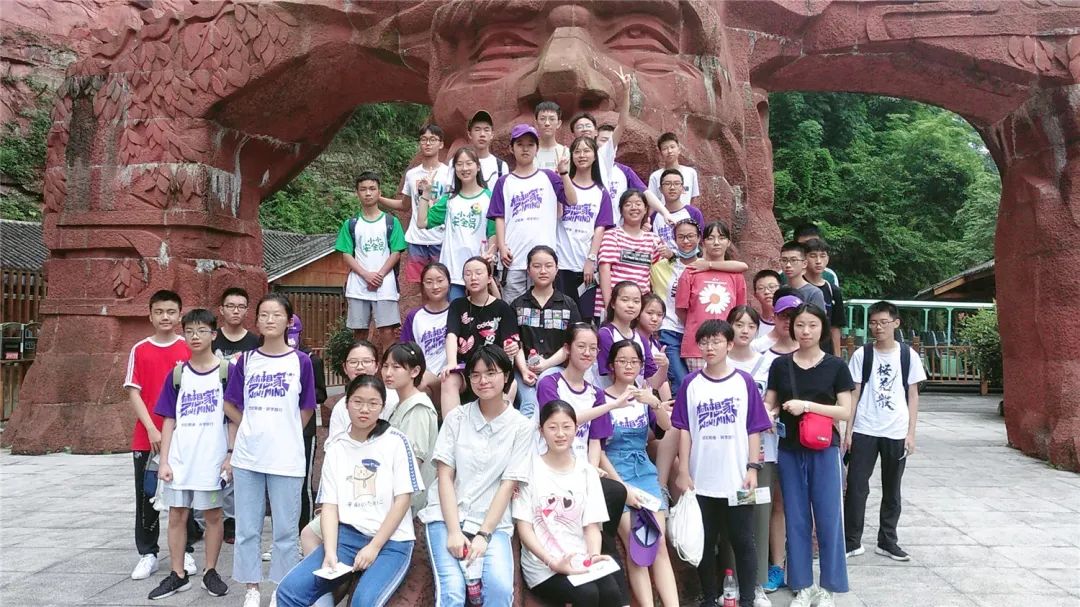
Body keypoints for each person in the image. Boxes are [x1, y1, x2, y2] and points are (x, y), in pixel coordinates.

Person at [275, 375, 422, 607]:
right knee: (288, 591)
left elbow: (403, 499)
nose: (364, 409)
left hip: (392, 542)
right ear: (346, 404)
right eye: (358, 402)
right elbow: (330, 507)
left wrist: (374, 547)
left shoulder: (396, 442)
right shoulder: (337, 447)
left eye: (373, 403)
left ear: (382, 406)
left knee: (363, 602)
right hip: (348, 538)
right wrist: (330, 552)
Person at [418, 346, 534, 607]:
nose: (483, 380)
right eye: (476, 374)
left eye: (491, 373)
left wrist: (484, 535)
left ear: (506, 376)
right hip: (446, 516)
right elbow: (444, 477)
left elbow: (508, 484)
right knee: (452, 591)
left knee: (500, 588)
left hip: (491, 521)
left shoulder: (521, 427)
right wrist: (453, 531)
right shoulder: (456, 419)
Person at [223, 294, 318, 607]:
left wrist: (286, 429)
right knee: (247, 528)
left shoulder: (301, 361)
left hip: (287, 458)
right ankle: (252, 587)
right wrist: (251, 424)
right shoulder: (246, 361)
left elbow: (307, 407)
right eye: (264, 314)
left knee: (286, 531)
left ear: (289, 321)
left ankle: (281, 587)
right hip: (249, 456)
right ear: (257, 320)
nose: (270, 320)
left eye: (277, 314)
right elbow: (230, 404)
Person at [672, 320, 772, 607]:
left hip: (738, 477)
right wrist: (683, 470)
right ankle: (708, 597)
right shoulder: (691, 384)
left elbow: (754, 428)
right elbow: (684, 429)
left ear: (729, 344)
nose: (710, 347)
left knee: (743, 540)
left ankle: (748, 598)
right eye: (704, 342)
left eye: (716, 341)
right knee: (704, 541)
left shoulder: (744, 382)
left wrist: (753, 468)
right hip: (701, 479)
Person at [764, 304, 854, 607]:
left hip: (825, 449)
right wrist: (767, 413)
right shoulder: (780, 365)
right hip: (789, 450)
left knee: (829, 518)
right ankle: (802, 585)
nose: (805, 331)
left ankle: (828, 587)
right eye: (800, 325)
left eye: (812, 325)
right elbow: (770, 403)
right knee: (796, 518)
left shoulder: (836, 366)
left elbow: (844, 411)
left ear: (823, 328)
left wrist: (807, 406)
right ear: (792, 328)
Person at [147, 308, 231, 600]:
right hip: (181, 458)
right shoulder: (178, 374)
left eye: (202, 331)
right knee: (177, 515)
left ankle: (210, 572)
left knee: (213, 515)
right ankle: (177, 574)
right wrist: (164, 461)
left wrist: (230, 455)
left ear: (214, 334)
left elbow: (234, 417)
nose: (195, 336)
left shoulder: (226, 372)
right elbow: (169, 419)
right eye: (190, 331)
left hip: (212, 458)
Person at [514, 400, 627, 607]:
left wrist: (593, 556)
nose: (560, 434)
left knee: (611, 592)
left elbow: (591, 526)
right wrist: (552, 562)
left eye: (566, 427)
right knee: (587, 594)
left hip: (580, 559)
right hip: (543, 566)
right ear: (541, 431)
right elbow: (525, 528)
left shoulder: (587, 472)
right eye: (552, 427)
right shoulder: (528, 470)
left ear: (576, 429)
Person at [124, 289, 198, 582]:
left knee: (184, 494)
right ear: (150, 315)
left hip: (184, 437)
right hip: (148, 437)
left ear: (179, 315)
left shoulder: (188, 348)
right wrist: (152, 428)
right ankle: (148, 553)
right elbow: (134, 391)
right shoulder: (140, 349)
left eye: (170, 312)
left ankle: (186, 550)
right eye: (159, 312)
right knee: (146, 495)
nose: (165, 317)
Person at [597, 340, 679, 607]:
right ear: (611, 365)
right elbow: (598, 449)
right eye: (622, 361)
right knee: (636, 545)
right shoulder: (601, 398)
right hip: (616, 472)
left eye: (634, 361)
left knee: (659, 543)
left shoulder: (645, 396)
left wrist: (655, 402)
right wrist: (621, 487)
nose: (628, 366)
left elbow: (668, 427)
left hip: (644, 471)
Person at [843, 301, 926, 562]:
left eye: (883, 322)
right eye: (873, 323)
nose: (878, 327)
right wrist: (848, 431)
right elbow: (854, 393)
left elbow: (913, 395)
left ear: (895, 323)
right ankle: (851, 541)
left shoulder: (908, 355)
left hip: (896, 430)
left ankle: (887, 541)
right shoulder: (862, 354)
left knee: (892, 488)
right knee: (856, 486)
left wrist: (911, 433)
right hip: (865, 428)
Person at [487, 124, 576, 303]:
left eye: (530, 144)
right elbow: (499, 217)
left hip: (544, 261)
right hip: (513, 258)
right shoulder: (504, 182)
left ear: (537, 148)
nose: (525, 149)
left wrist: (564, 173)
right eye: (520, 144)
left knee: (543, 308)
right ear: (511, 148)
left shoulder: (549, 177)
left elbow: (572, 200)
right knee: (512, 308)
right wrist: (502, 246)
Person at [725, 305, 776, 606]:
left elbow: (774, 401)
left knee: (758, 516)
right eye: (739, 324)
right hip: (727, 453)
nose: (744, 330)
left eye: (751, 325)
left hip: (761, 451)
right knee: (732, 519)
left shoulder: (768, 363)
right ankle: (730, 581)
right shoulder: (719, 361)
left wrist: (769, 413)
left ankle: (756, 584)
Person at [752, 293, 802, 594]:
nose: (789, 322)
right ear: (775, 317)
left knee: (794, 504)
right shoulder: (760, 353)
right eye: (784, 316)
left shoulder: (811, 355)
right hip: (767, 442)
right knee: (771, 504)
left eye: (795, 318)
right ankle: (775, 566)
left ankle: (798, 568)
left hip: (801, 442)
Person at [441, 257, 523, 416]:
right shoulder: (457, 305)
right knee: (448, 379)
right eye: (468, 274)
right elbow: (451, 335)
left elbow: (512, 341)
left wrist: (513, 347)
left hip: (493, 368)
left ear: (489, 278)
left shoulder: (502, 308)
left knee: (509, 383)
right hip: (466, 369)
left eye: (478, 273)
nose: (473, 277)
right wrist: (451, 362)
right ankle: (452, 428)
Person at [336, 171, 408, 342]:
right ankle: (361, 360)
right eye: (363, 189)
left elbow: (396, 252)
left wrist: (379, 275)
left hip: (386, 285)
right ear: (357, 193)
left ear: (379, 192)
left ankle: (388, 361)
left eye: (372, 189)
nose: (368, 193)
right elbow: (346, 254)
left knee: (388, 332)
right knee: (359, 333)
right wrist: (366, 275)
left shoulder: (391, 222)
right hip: (358, 286)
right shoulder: (351, 224)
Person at [416, 147, 496, 302]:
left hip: (479, 272)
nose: (464, 168)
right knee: (455, 314)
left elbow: (493, 233)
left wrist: (489, 267)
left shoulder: (489, 197)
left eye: (469, 163)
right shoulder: (450, 199)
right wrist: (426, 193)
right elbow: (422, 222)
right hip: (453, 272)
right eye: (459, 164)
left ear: (478, 167)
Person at [513, 246, 581, 419]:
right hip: (523, 369)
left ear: (557, 269)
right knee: (529, 404)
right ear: (528, 270)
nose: (543, 271)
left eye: (548, 266)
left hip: (556, 367)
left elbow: (572, 344)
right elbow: (515, 342)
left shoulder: (568, 304)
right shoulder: (518, 304)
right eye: (537, 266)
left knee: (548, 397)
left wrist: (546, 365)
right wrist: (524, 370)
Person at [383, 124, 453, 285]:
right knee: (419, 284)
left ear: (441, 144)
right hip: (416, 239)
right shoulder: (412, 174)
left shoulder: (449, 173)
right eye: (423, 139)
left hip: (441, 238)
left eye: (432, 139)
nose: (427, 143)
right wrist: (379, 199)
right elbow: (405, 205)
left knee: (442, 283)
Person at [676, 221, 747, 372]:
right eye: (710, 238)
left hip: (727, 347)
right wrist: (696, 324)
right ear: (703, 243)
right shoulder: (691, 271)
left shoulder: (736, 276)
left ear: (728, 242)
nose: (716, 243)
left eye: (721, 238)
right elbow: (681, 309)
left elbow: (740, 312)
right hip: (697, 347)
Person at [381, 342, 440, 514]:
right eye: (385, 366)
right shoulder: (400, 404)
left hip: (404, 502)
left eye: (396, 367)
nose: (388, 373)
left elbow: (413, 462)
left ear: (415, 371)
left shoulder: (418, 408)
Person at [556, 136, 615, 303]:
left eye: (587, 151)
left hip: (585, 265)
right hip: (560, 263)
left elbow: (600, 228)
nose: (582, 155)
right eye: (577, 151)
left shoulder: (601, 192)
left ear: (595, 156)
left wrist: (591, 259)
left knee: (585, 315)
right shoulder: (562, 185)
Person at [594, 190, 663, 319]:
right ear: (621, 210)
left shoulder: (654, 240)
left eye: (638, 204)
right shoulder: (612, 235)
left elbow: (659, 272)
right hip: (612, 307)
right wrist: (610, 307)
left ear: (645, 209)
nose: (634, 207)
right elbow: (604, 271)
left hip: (639, 311)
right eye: (628, 204)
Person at [651, 219, 700, 389]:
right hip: (670, 330)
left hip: (697, 333)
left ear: (699, 238)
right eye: (681, 237)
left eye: (690, 236)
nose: (686, 241)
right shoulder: (660, 267)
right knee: (680, 382)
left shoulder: (705, 266)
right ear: (675, 240)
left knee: (697, 383)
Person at [326, 341, 400, 441]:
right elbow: (334, 443)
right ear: (345, 368)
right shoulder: (340, 407)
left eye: (366, 361)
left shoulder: (394, 399)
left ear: (377, 366)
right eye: (353, 362)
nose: (360, 367)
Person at [597, 281, 663, 392]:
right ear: (613, 303)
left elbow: (654, 382)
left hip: (635, 399)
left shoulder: (641, 339)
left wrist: (664, 365)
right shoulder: (605, 334)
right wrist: (639, 395)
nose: (631, 305)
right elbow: (613, 376)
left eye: (636, 301)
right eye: (625, 300)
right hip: (611, 399)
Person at [400, 263, 452, 396]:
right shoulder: (414, 316)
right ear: (422, 285)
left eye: (440, 281)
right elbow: (405, 350)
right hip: (423, 376)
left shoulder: (456, 312)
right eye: (429, 282)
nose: (435, 286)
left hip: (451, 376)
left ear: (449, 282)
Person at [803, 238, 845, 356]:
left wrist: (837, 358)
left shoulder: (833, 291)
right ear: (804, 259)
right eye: (813, 256)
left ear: (827, 259)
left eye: (822, 256)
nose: (818, 261)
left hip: (825, 352)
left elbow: (835, 327)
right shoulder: (798, 288)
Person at [650, 168, 705, 255]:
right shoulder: (654, 215)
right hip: (661, 262)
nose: (672, 187)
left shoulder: (693, 213)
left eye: (676, 183)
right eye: (667, 184)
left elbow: (701, 243)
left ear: (682, 188)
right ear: (660, 189)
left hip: (687, 262)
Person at [647, 132, 700, 207]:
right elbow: (652, 203)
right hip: (664, 214)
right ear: (661, 153)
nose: (669, 151)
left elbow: (694, 199)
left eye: (672, 147)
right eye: (665, 149)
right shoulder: (655, 176)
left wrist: (692, 213)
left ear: (679, 150)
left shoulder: (690, 172)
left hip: (686, 214)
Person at [778, 241, 828, 313]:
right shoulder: (780, 291)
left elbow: (818, 319)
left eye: (794, 260)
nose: (788, 265)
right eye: (784, 260)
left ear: (804, 264)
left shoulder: (814, 293)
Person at [213, 287, 260, 359]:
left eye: (241, 307)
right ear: (221, 310)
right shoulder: (211, 338)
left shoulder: (255, 342)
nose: (236, 311)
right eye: (230, 306)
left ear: (246, 311)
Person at [467, 110, 510, 185]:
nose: (482, 134)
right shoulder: (459, 164)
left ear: (492, 134)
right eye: (477, 130)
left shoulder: (501, 166)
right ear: (470, 134)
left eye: (486, 130)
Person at [793, 223, 839, 288]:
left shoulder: (829, 275)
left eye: (815, 243)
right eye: (805, 245)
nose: (811, 247)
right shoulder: (785, 274)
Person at [534, 101, 569, 171]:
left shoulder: (565, 152)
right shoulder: (530, 152)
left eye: (552, 119)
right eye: (542, 119)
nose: (547, 123)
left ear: (559, 123)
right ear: (536, 123)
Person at [752, 271, 782, 340]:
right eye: (761, 288)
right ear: (755, 295)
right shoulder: (753, 326)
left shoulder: (790, 323)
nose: (767, 292)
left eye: (772, 287)